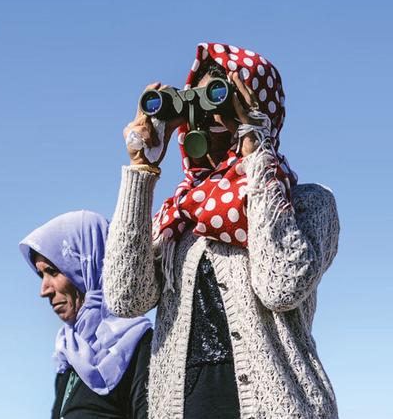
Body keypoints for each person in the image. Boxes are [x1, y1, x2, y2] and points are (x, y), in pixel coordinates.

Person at [105, 43, 340, 419]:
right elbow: (125, 299)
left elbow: (280, 287)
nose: (208, 121)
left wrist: (256, 153)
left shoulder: (307, 204)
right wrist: (140, 171)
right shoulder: (179, 218)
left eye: (219, 98)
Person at [19, 210, 154, 419]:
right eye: (41, 275)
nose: (44, 290)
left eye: (53, 272)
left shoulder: (139, 346)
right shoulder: (68, 354)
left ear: (88, 267)